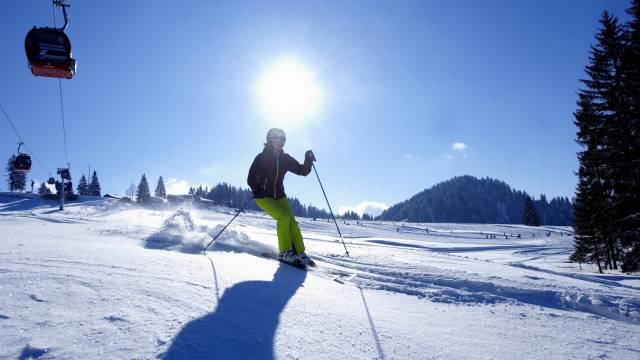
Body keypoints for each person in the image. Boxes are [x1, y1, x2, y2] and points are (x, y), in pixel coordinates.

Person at [247, 128, 316, 266]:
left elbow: (302, 171)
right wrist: (258, 188)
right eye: (276, 138)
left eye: (283, 139)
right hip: (263, 196)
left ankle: (300, 253)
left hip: (279, 195)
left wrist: (308, 160)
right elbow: (250, 179)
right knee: (283, 218)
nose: (280, 142)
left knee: (292, 222)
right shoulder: (261, 158)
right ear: (269, 139)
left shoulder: (286, 159)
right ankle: (285, 252)